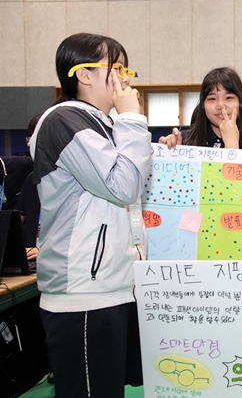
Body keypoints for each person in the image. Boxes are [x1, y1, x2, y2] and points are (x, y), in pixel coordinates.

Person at [29, 32, 151, 398]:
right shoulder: (63, 120)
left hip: (113, 288)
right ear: (82, 75)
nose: (125, 79)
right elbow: (123, 186)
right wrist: (132, 119)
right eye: (116, 68)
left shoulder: (104, 125)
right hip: (83, 293)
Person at [159, 67, 242, 149]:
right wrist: (169, 152)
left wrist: (232, 147)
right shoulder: (184, 142)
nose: (220, 105)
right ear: (203, 105)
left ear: (241, 103)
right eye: (212, 99)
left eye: (229, 98)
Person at [16, 113, 43, 263]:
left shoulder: (76, 180)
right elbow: (18, 220)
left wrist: (46, 250)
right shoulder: (32, 178)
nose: (29, 144)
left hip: (60, 258)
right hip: (30, 257)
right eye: (29, 137)